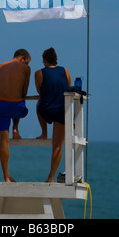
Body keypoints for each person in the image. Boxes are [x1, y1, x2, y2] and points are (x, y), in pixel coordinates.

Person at [0, 49, 31, 182]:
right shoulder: (26, 69)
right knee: (19, 104)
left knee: (3, 140)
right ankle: (15, 128)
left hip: (1, 106)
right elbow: (24, 92)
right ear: (22, 58)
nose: (27, 65)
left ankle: (6, 177)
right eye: (27, 62)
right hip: (16, 107)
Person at [35, 47, 72, 183]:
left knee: (38, 105)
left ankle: (44, 132)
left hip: (47, 109)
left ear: (44, 60)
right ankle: (51, 177)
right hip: (62, 110)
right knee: (57, 146)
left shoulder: (39, 73)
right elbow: (68, 86)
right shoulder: (65, 71)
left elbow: (40, 90)